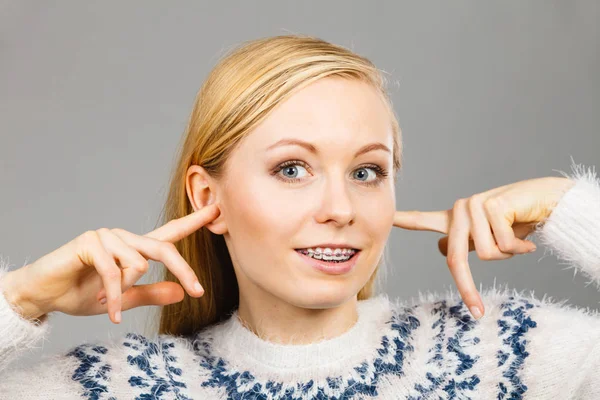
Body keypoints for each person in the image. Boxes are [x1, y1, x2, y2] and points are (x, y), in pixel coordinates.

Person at [0, 34, 598, 399]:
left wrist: (565, 206)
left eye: (367, 172)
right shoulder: (116, 388)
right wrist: (21, 299)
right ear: (209, 198)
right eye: (292, 169)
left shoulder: (503, 352)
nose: (340, 210)